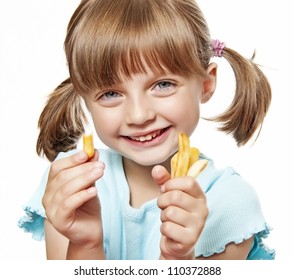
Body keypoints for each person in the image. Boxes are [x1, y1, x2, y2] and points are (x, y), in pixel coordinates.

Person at [18, 0, 274, 260]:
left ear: (206, 85)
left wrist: (177, 258)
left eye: (163, 85)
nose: (139, 115)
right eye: (110, 93)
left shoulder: (229, 202)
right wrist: (84, 244)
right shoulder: (71, 184)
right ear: (85, 99)